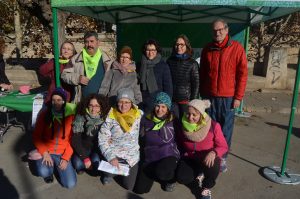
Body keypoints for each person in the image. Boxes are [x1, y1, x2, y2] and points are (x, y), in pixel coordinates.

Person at [199, 19, 248, 172]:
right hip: (210, 96)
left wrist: (238, 97)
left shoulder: (237, 48)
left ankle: (223, 158)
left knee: (225, 130)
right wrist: (202, 94)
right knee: (211, 128)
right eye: (214, 30)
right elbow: (203, 74)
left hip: (228, 98)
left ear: (227, 30)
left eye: (220, 29)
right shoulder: (207, 49)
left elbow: (243, 75)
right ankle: (210, 153)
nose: (217, 33)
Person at [176, 99, 228, 199]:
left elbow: (223, 146)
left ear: (201, 114)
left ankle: (206, 186)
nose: (190, 118)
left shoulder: (213, 126)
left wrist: (214, 152)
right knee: (182, 177)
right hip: (191, 157)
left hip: (207, 157)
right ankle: (199, 173)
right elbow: (179, 143)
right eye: (188, 114)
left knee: (213, 166)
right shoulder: (182, 125)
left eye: (194, 115)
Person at [29, 88, 77, 188]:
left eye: (59, 100)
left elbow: (73, 140)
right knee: (43, 171)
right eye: (53, 100)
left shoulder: (71, 116)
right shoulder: (44, 114)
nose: (56, 103)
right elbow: (36, 136)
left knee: (70, 184)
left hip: (62, 153)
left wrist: (66, 158)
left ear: (64, 101)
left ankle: (56, 166)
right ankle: (49, 172)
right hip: (47, 151)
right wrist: (44, 153)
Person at [134, 92, 180, 194]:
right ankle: (158, 173)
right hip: (151, 157)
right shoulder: (146, 119)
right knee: (140, 189)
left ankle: (170, 179)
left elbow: (181, 138)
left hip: (168, 154)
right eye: (157, 106)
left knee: (162, 173)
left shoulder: (174, 120)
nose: (160, 110)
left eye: (163, 107)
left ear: (168, 108)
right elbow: (134, 132)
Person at [98, 88, 143, 191]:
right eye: (120, 102)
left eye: (127, 102)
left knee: (128, 186)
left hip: (131, 157)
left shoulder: (138, 115)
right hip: (115, 154)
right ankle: (109, 174)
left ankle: (121, 171)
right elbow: (102, 139)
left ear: (131, 103)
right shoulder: (110, 116)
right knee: (107, 172)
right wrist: (110, 157)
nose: (123, 106)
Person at [61, 31, 112, 103]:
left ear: (98, 42)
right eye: (86, 42)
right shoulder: (76, 59)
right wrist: (78, 78)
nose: (89, 44)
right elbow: (64, 75)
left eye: (92, 41)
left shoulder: (107, 61)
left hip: (100, 104)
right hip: (81, 103)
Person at [71, 93, 109, 175]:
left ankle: (90, 166)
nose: (93, 109)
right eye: (91, 105)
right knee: (78, 164)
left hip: (96, 150)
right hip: (83, 148)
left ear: (101, 107)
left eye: (97, 106)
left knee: (96, 164)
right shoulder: (81, 117)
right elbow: (75, 139)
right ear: (87, 105)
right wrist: (85, 158)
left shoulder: (105, 118)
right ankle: (83, 166)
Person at [167, 34, 199, 119]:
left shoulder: (193, 63)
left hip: (186, 101)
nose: (179, 47)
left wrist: (193, 102)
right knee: (173, 124)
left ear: (187, 46)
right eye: (177, 44)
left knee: (185, 124)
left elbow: (196, 84)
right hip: (172, 100)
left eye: (182, 44)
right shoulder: (170, 61)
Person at [139, 39, 173, 113]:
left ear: (157, 51)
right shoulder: (140, 64)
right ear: (145, 51)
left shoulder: (163, 66)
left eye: (153, 50)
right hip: (141, 102)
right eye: (148, 50)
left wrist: (166, 105)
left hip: (157, 104)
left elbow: (168, 88)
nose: (150, 52)